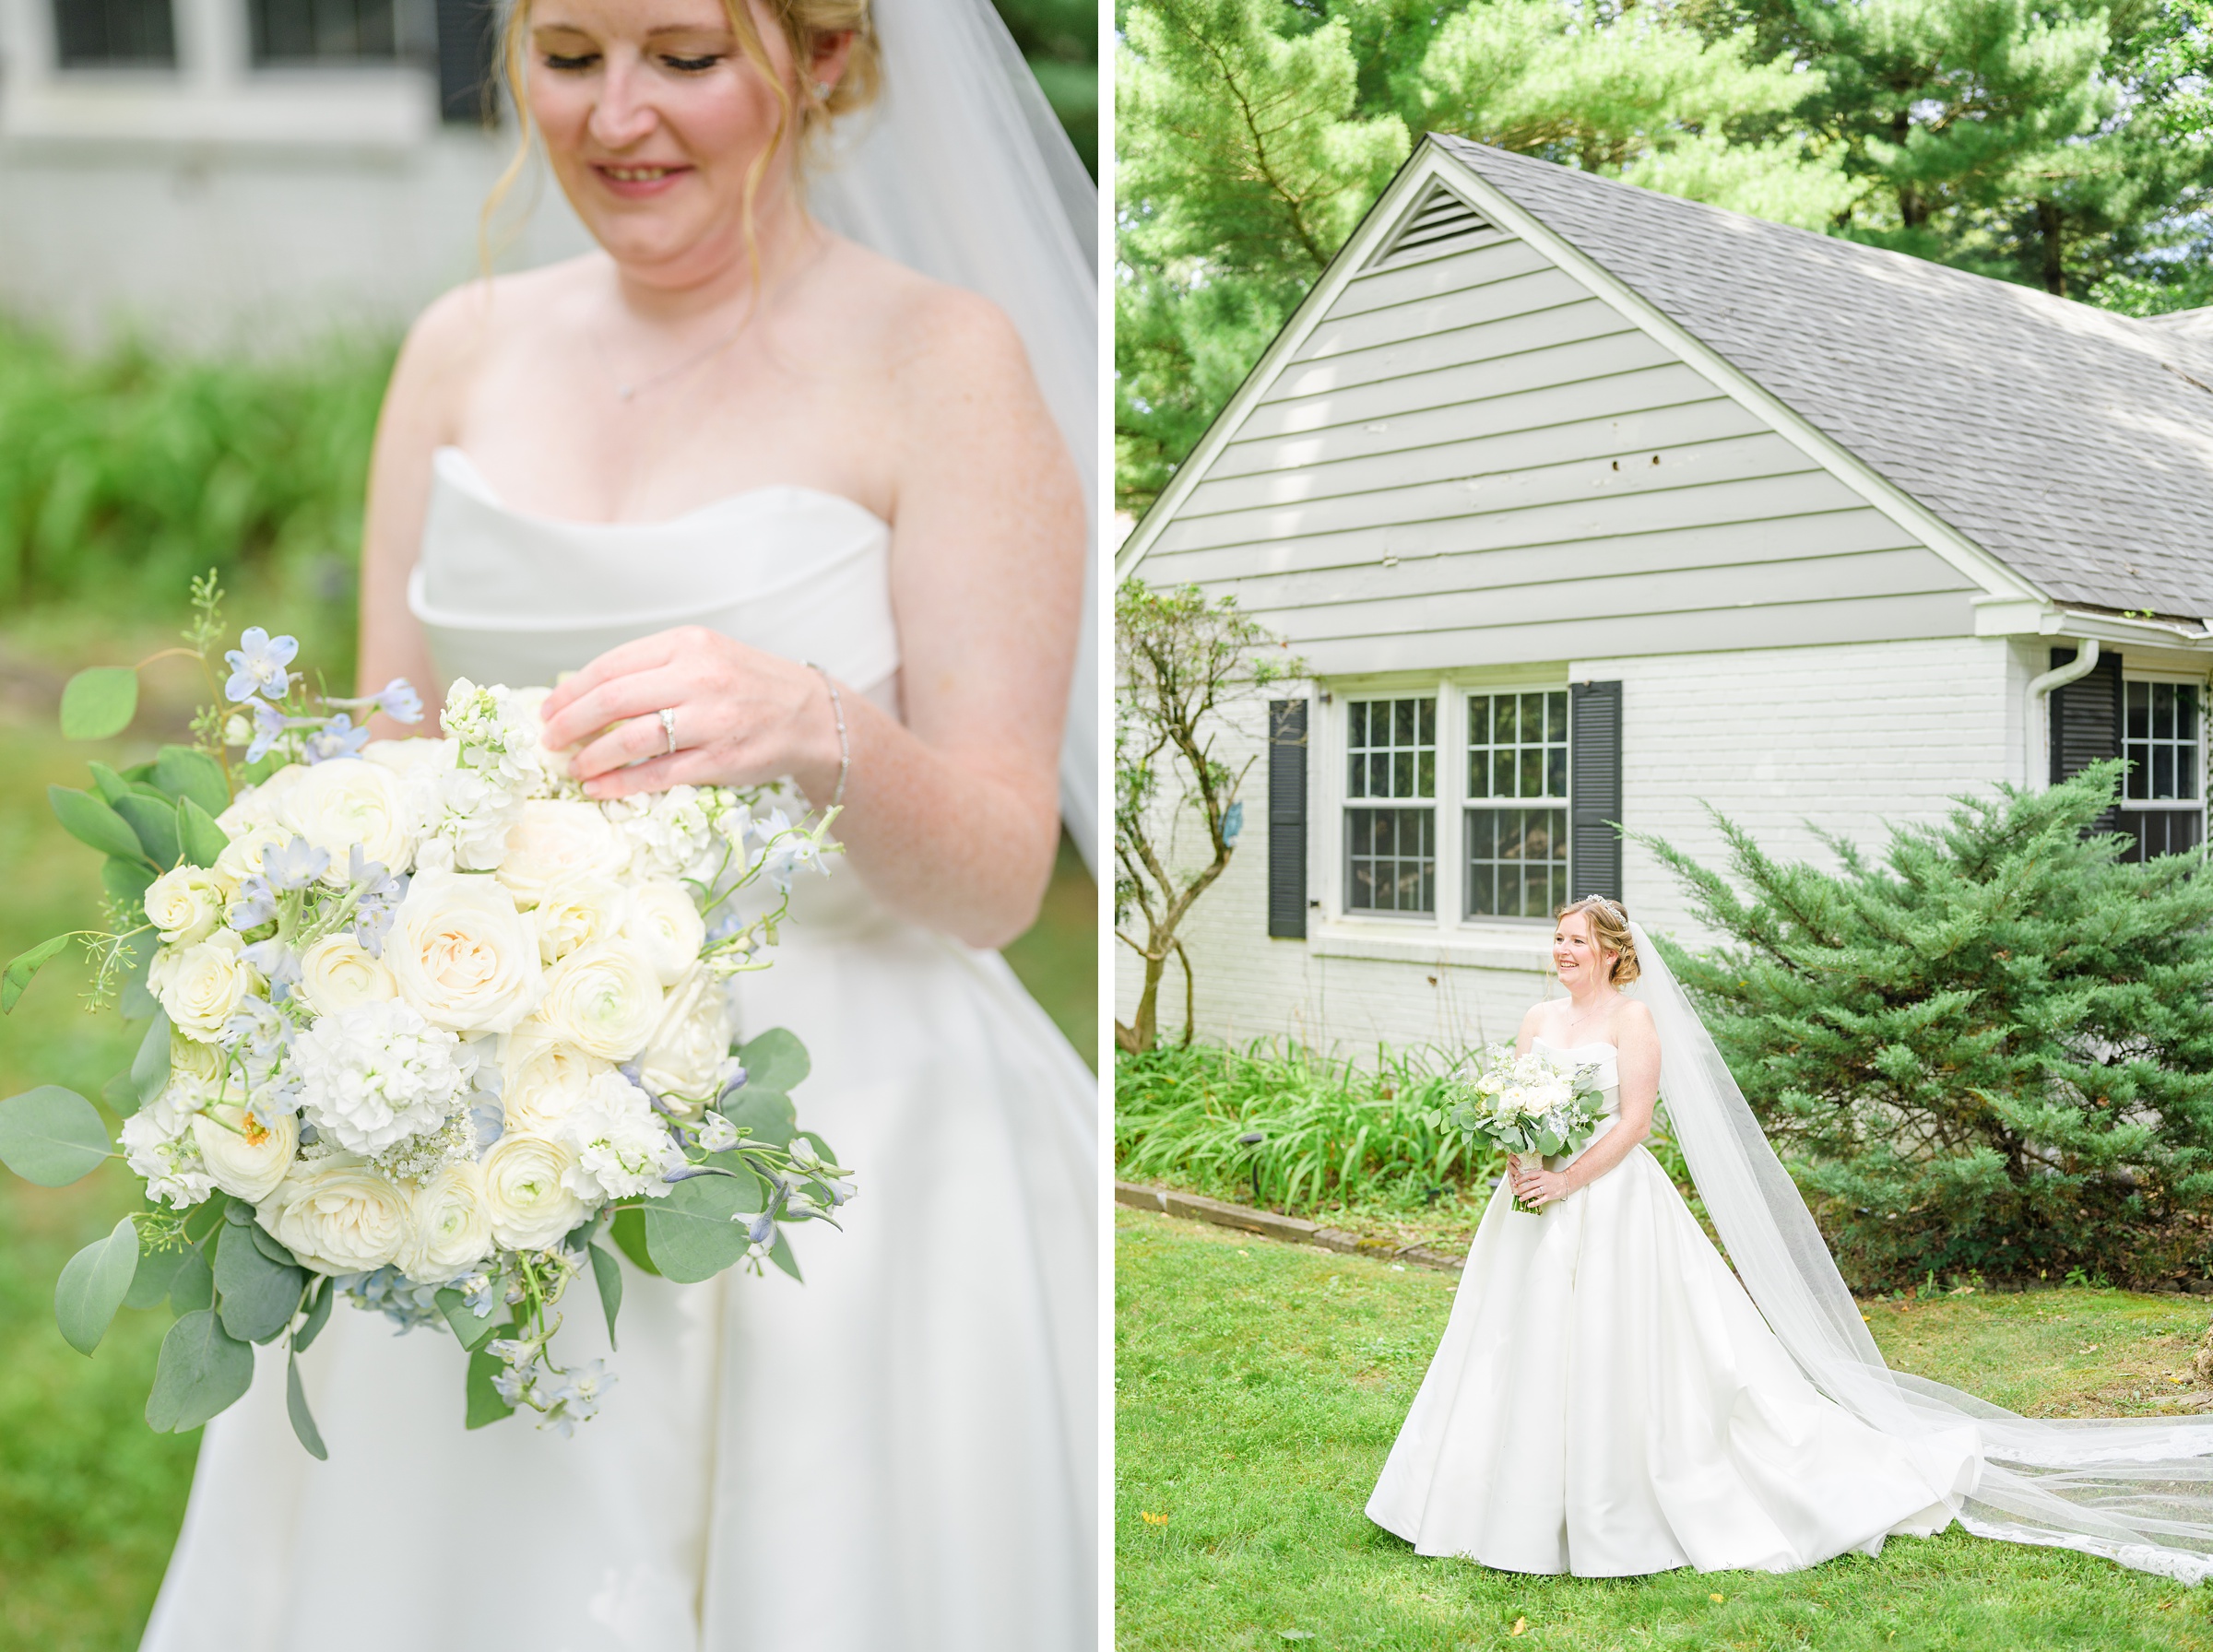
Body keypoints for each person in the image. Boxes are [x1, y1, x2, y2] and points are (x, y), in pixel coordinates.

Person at [138, 0, 1097, 1644]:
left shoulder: (946, 365)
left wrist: (821, 729)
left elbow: (1006, 873)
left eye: (683, 56)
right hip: (474, 1120)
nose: (616, 116)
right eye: (569, 58)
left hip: (844, 1139)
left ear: (826, 62)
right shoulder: (460, 349)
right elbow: (387, 760)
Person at [1369, 895, 2213, 1583]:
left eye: (1576, 942)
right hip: (1527, 1204)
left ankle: (1615, 1502)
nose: (1561, 952)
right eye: (1556, 940)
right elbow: (1511, 1096)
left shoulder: (1634, 1024)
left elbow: (1635, 1124)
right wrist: (1524, 1161)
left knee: (1619, 1349)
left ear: (1614, 953)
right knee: (1512, 1343)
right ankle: (1499, 1498)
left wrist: (1567, 1177)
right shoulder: (1537, 1016)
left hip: (1605, 1200)